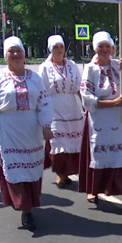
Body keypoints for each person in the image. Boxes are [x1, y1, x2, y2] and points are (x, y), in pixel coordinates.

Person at [0, 36, 54, 231]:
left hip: (31, 129)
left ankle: (28, 207)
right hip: (8, 129)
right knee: (15, 168)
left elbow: (44, 102)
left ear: (24, 54)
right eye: (11, 51)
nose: (15, 54)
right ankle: (25, 208)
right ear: (5, 55)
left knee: (32, 169)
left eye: (18, 51)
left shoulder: (35, 78)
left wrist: (47, 125)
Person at [79, 31, 122, 216]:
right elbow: (87, 98)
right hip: (101, 121)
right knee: (102, 158)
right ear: (95, 48)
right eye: (100, 46)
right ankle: (95, 189)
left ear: (112, 48)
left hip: (121, 122)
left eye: (107, 46)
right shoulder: (90, 70)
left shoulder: (118, 65)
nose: (104, 50)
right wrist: (112, 103)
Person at [37, 35, 84, 188]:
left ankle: (69, 171)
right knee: (57, 142)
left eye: (61, 47)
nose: (59, 50)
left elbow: (79, 86)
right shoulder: (45, 67)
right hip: (54, 108)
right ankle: (59, 173)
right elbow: (40, 90)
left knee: (74, 141)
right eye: (56, 47)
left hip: (71, 108)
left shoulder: (71, 65)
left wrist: (84, 102)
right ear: (51, 49)